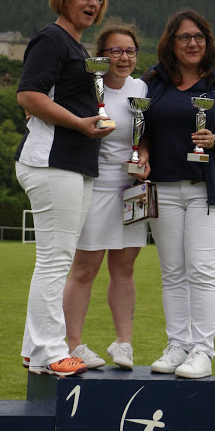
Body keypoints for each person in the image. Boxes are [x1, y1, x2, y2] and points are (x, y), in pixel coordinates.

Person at [15, 0, 115, 377]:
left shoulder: (77, 47)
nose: (91, 2)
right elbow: (29, 96)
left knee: (55, 259)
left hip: (73, 164)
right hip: (51, 161)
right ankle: (51, 353)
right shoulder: (52, 39)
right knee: (55, 262)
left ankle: (34, 350)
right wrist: (78, 123)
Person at [140, 9, 215, 379]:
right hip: (164, 190)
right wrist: (141, 153)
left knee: (202, 271)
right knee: (172, 272)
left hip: (210, 191)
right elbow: (142, 130)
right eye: (184, 37)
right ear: (171, 42)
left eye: (199, 37)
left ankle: (202, 351)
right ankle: (178, 345)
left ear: (208, 41)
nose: (192, 43)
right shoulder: (155, 81)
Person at [62, 19, 149, 370]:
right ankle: (74, 345)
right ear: (101, 56)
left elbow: (145, 135)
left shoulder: (142, 87)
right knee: (85, 269)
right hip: (93, 184)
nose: (123, 57)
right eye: (115, 50)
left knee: (124, 269)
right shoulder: (84, 87)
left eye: (129, 51)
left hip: (131, 189)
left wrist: (144, 155)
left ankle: (123, 344)